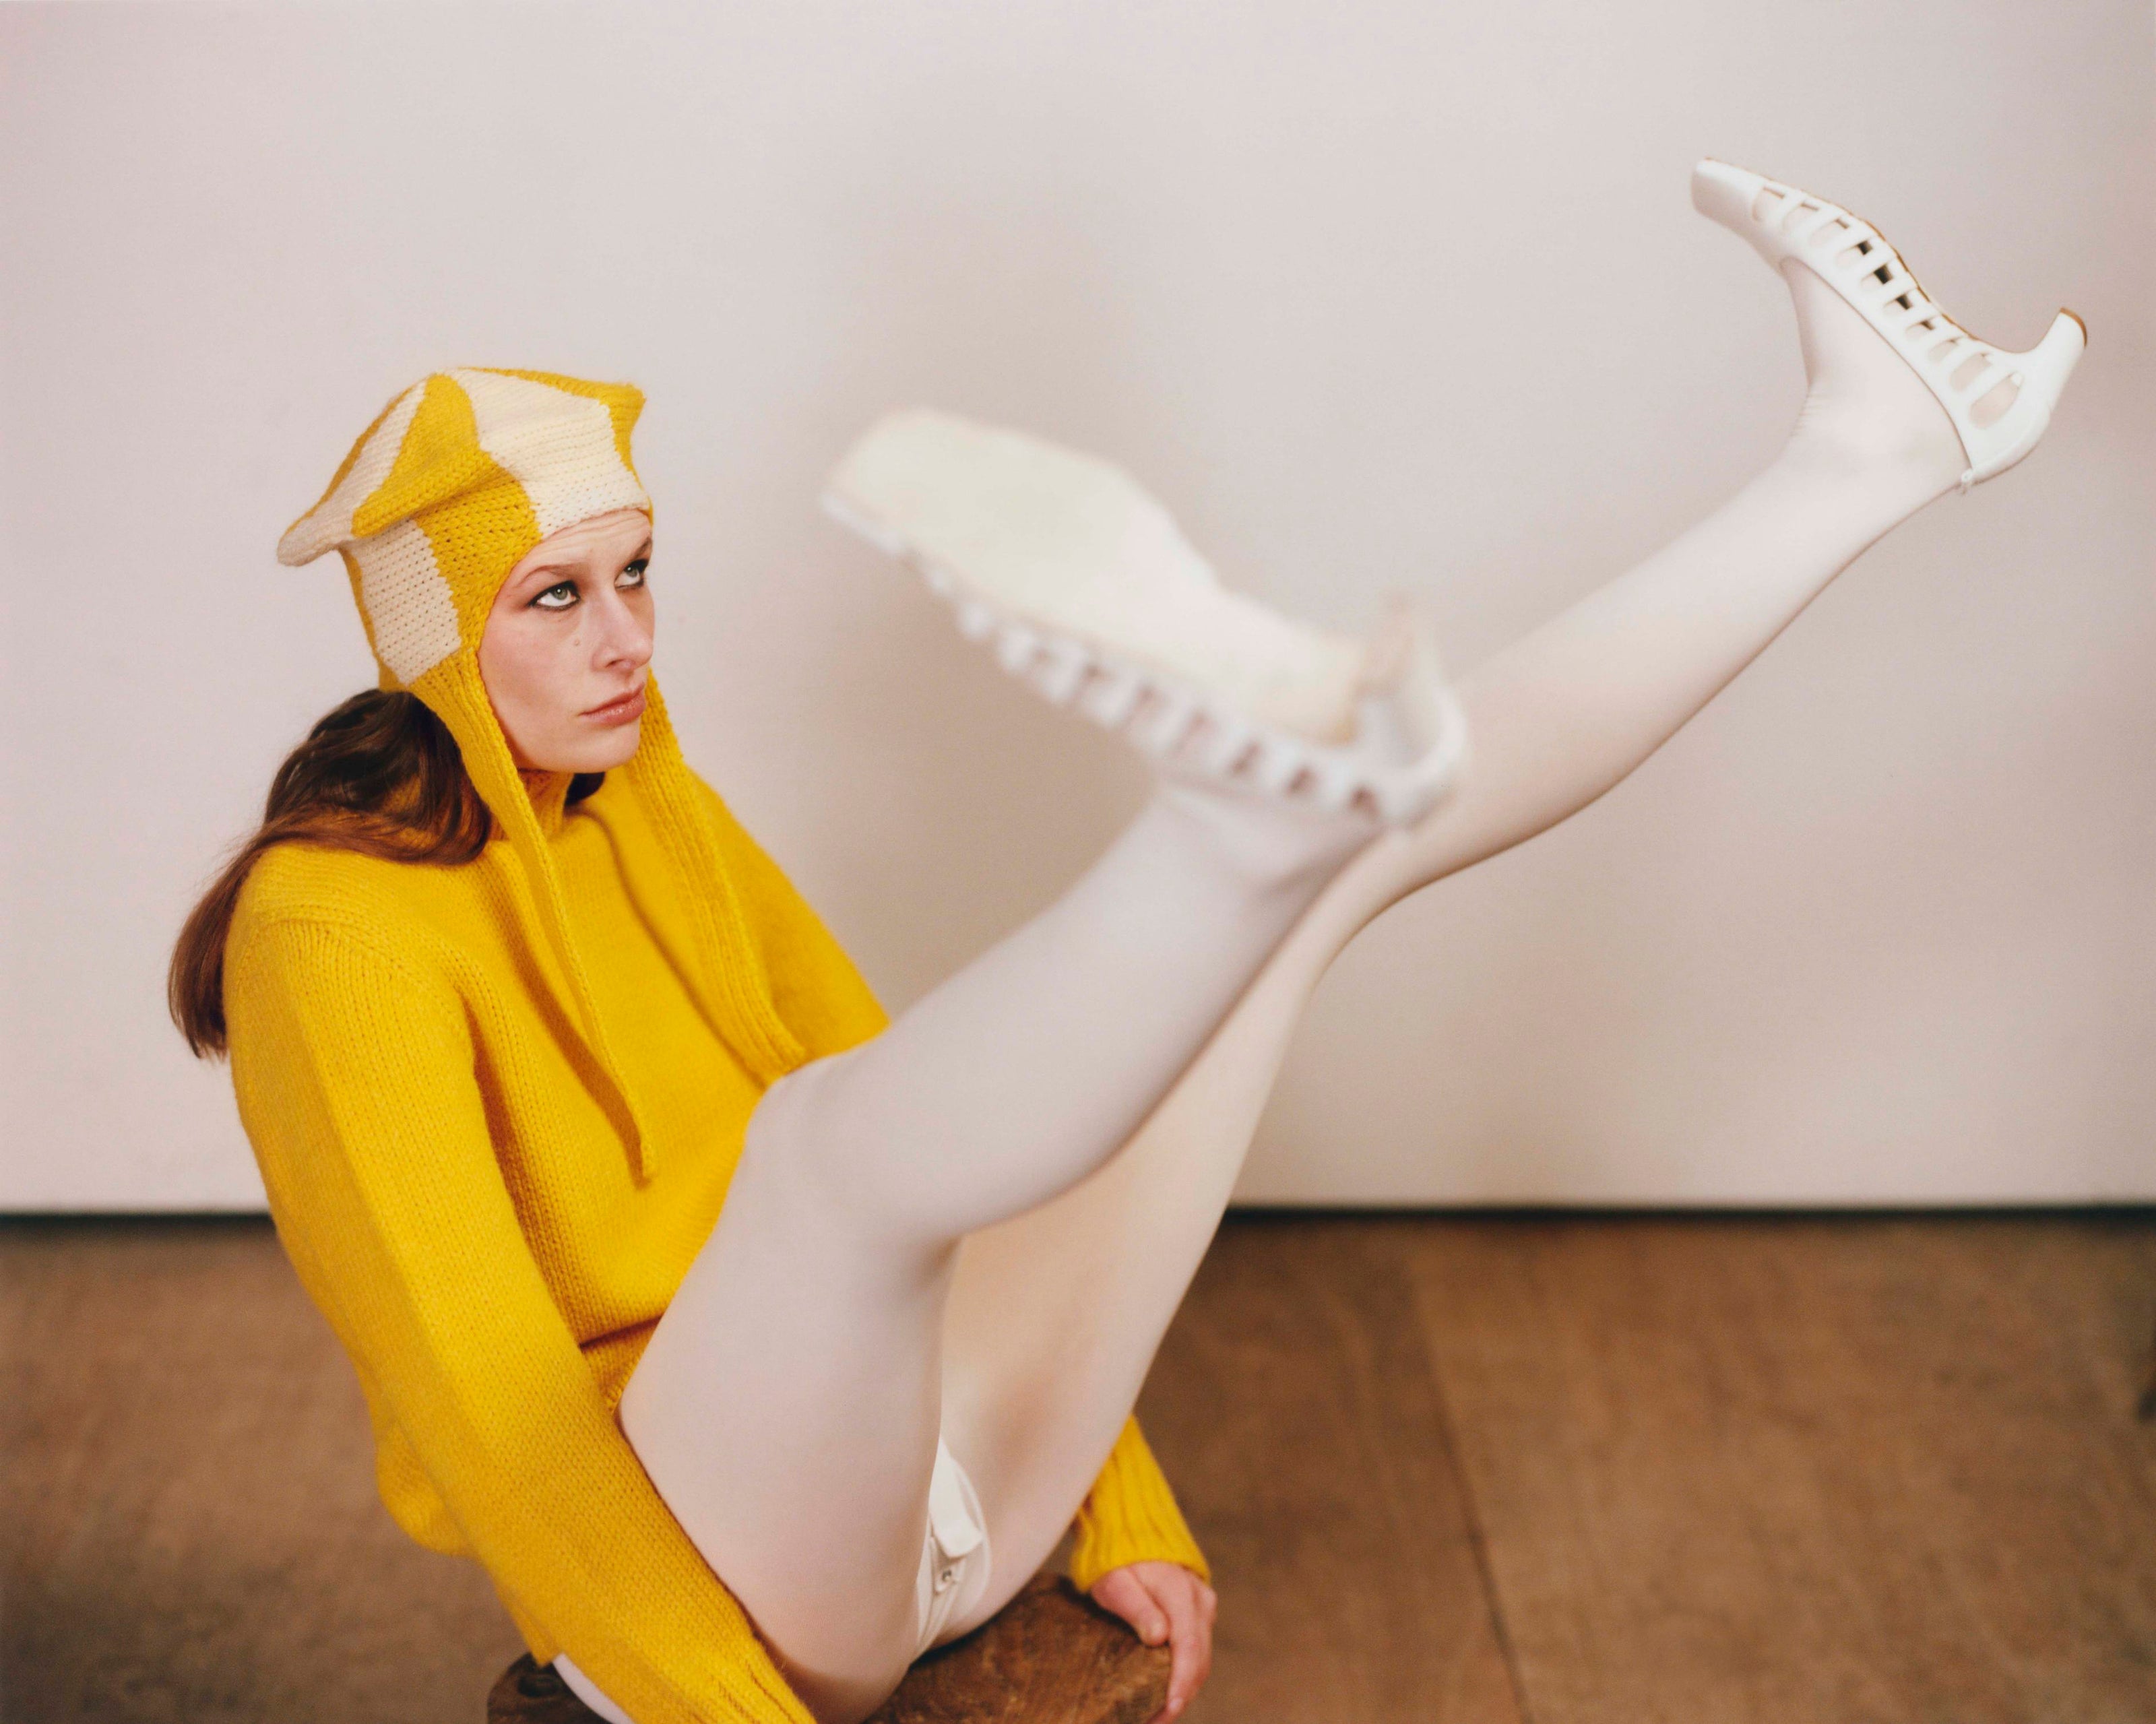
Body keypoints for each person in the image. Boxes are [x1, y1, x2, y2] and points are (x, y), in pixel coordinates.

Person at [169, 160, 2083, 1724]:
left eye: (641, 572)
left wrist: (1114, 1501)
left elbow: (921, 1104)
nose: (627, 642)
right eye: (557, 598)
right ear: (436, 638)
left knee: (1316, 898)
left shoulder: (652, 803)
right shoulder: (325, 933)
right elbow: (489, 1411)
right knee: (828, 1158)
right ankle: (1226, 824)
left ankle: (1871, 455)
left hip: (953, 1492)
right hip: (735, 1607)